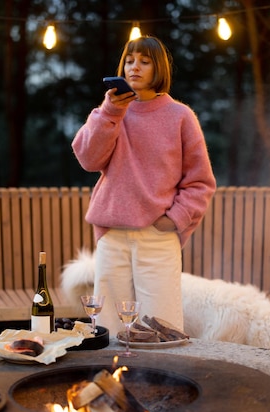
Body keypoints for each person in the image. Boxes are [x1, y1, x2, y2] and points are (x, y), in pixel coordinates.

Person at [71, 35, 216, 336]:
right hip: (113, 236)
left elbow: (200, 182)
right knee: (108, 327)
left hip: (157, 236)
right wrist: (111, 112)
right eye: (129, 60)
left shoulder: (180, 116)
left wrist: (174, 219)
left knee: (161, 327)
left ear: (158, 68)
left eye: (144, 61)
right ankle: (111, 380)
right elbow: (87, 158)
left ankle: (162, 383)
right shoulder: (110, 111)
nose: (134, 67)